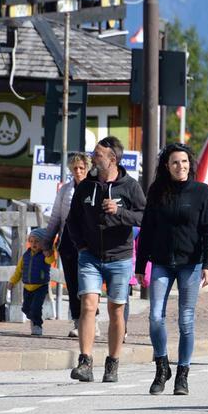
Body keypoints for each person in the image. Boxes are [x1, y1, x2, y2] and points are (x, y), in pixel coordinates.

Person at [136, 143, 208, 395]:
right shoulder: (157, 191)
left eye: (184, 162)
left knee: (186, 320)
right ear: (166, 166)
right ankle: (162, 367)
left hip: (190, 264)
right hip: (161, 263)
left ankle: (182, 374)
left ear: (190, 165)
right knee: (155, 316)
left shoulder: (201, 192)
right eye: (174, 162)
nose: (180, 166)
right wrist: (140, 266)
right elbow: (147, 229)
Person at [66, 136, 145, 383]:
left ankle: (112, 363)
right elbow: (72, 219)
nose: (92, 158)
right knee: (88, 305)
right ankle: (85, 362)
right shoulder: (85, 186)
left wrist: (120, 212)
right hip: (89, 256)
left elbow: (145, 216)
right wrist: (81, 246)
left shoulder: (130, 186)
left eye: (97, 155)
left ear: (112, 159)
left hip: (120, 257)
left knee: (116, 311)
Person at [42, 152, 94, 338]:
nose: (78, 171)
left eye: (82, 168)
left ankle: (91, 322)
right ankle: (78, 321)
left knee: (87, 283)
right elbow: (56, 216)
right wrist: (47, 240)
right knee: (72, 284)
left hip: (90, 243)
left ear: (88, 169)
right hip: (69, 242)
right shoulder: (65, 190)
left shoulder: (95, 187)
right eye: (75, 168)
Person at [8, 228, 56, 336]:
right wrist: (12, 282)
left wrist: (49, 252)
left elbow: (51, 260)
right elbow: (18, 271)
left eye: (37, 241)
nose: (33, 244)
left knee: (36, 307)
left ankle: (37, 325)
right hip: (27, 287)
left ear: (42, 243)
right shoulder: (25, 256)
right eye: (31, 241)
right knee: (25, 308)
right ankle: (35, 318)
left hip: (40, 286)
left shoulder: (45, 255)